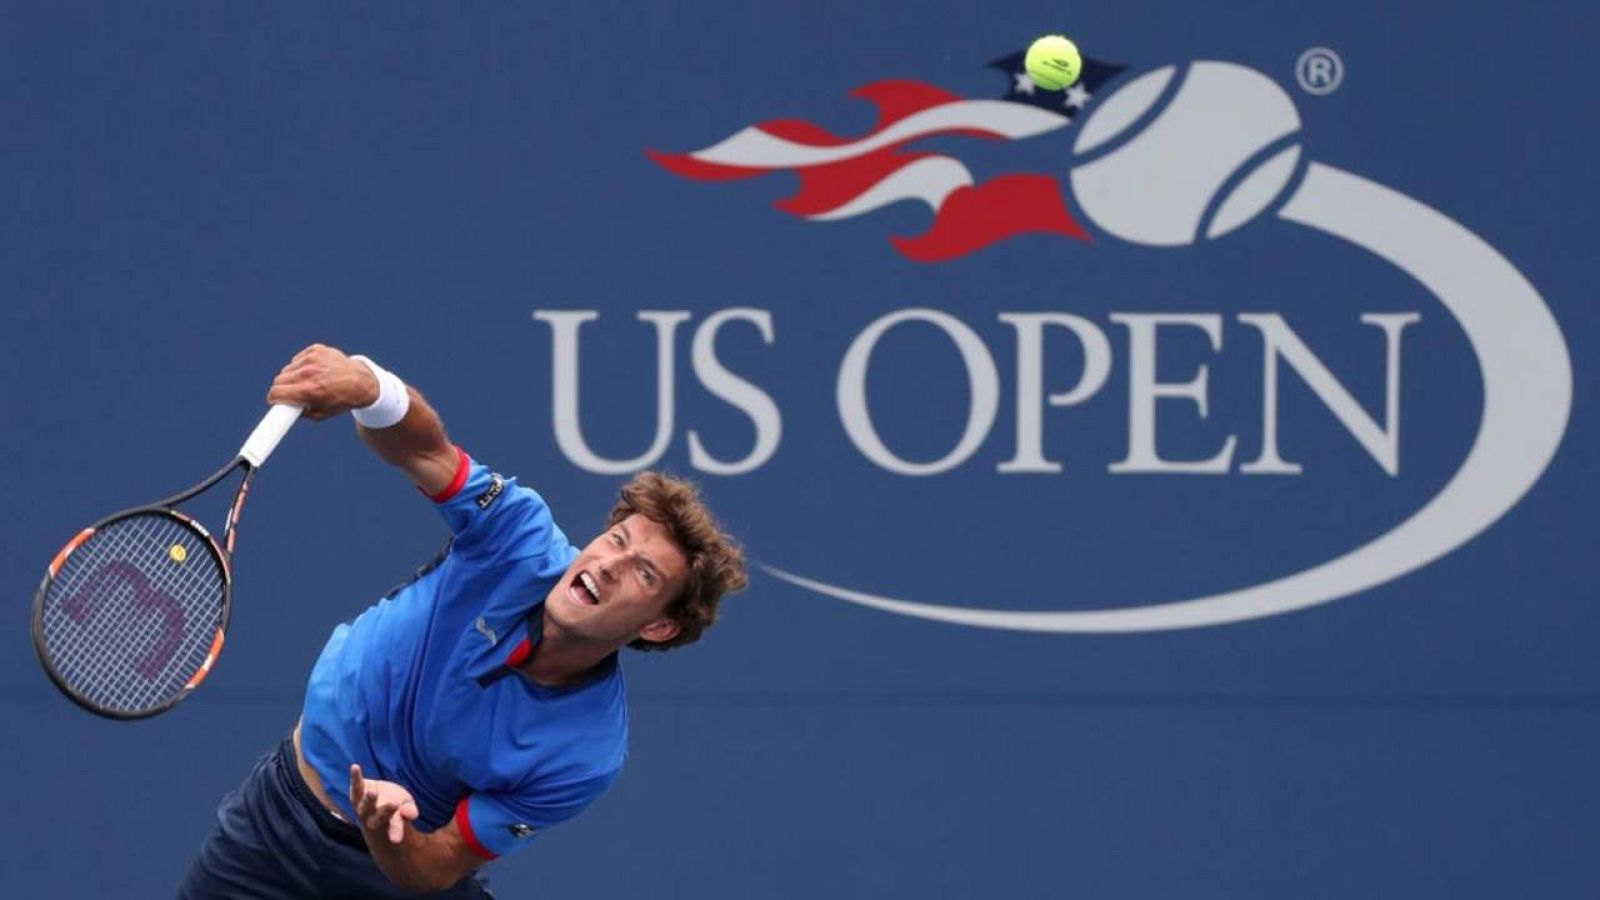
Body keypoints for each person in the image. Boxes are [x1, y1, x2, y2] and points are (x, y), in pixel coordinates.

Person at [178, 344, 748, 898]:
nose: (611, 563)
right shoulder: (518, 539)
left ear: (657, 627)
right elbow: (425, 450)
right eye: (616, 540)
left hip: (391, 879)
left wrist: (386, 832)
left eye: (645, 574)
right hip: (273, 822)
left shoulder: (586, 750)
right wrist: (370, 386)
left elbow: (432, 869)